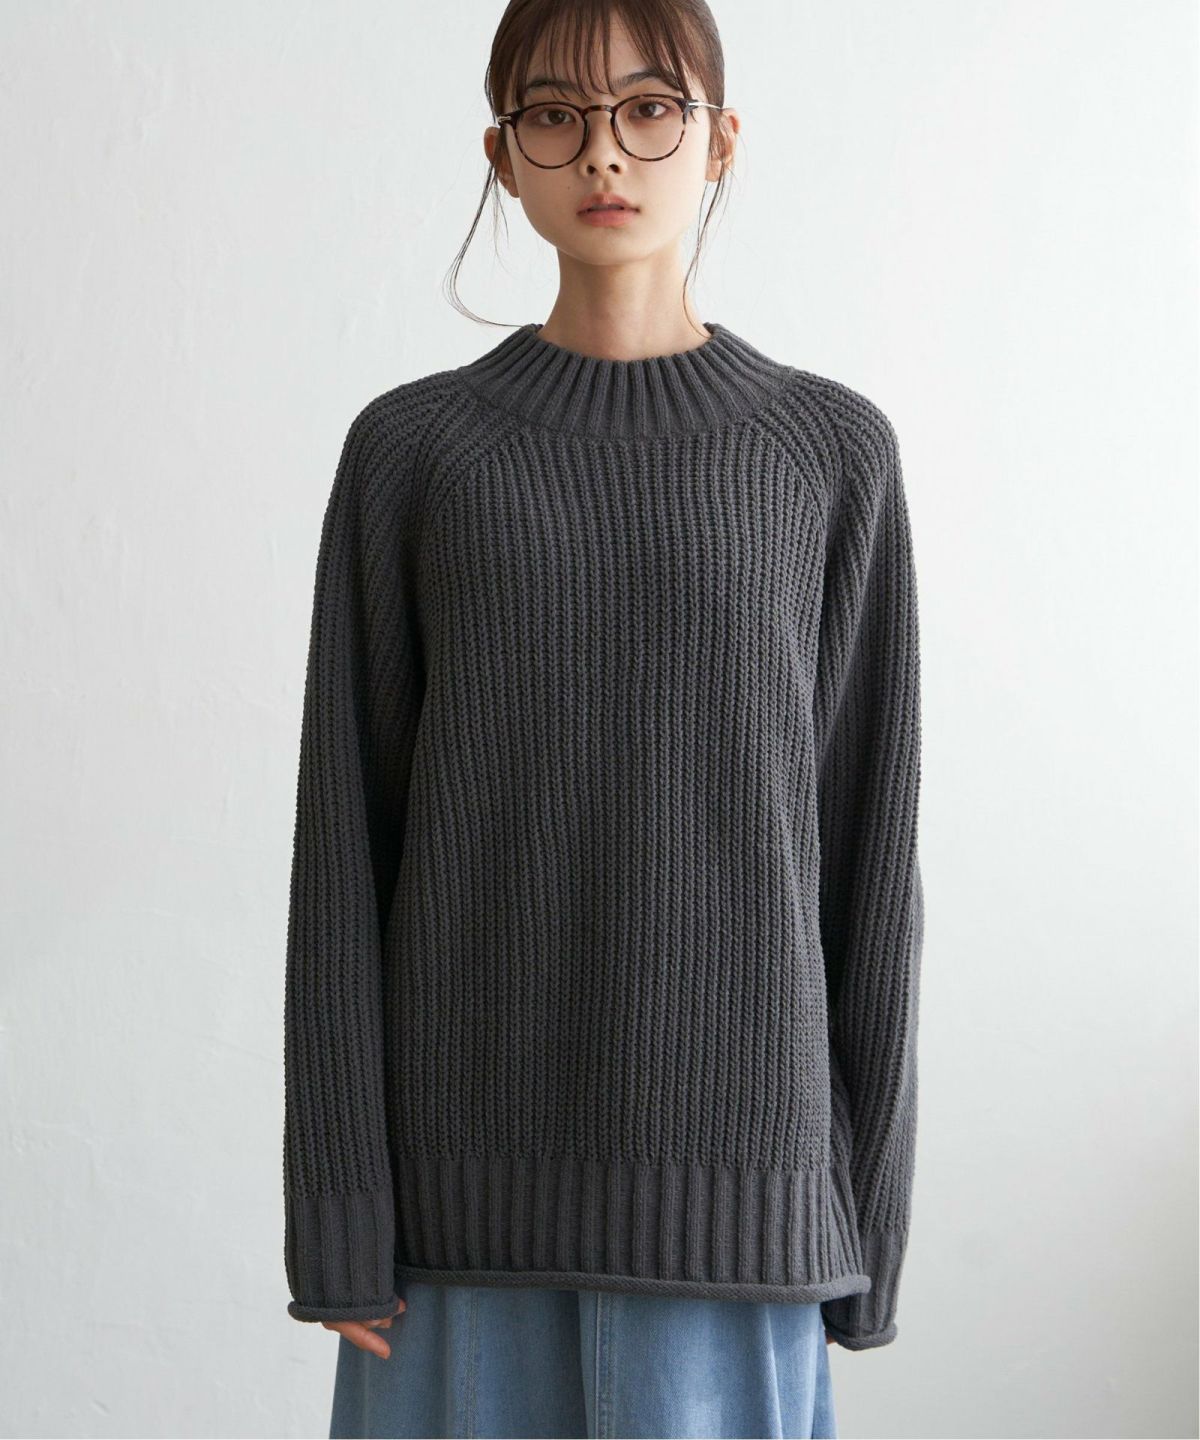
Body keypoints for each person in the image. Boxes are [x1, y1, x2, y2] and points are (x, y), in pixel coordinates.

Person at [282, 1, 925, 1436]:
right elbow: (343, 860)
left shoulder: (830, 455)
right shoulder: (413, 453)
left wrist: (866, 1222)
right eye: (555, 114)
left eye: (648, 108)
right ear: (503, 154)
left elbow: (869, 868)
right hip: (452, 1238)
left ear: (721, 140)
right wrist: (338, 1215)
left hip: (747, 1231)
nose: (604, 152)